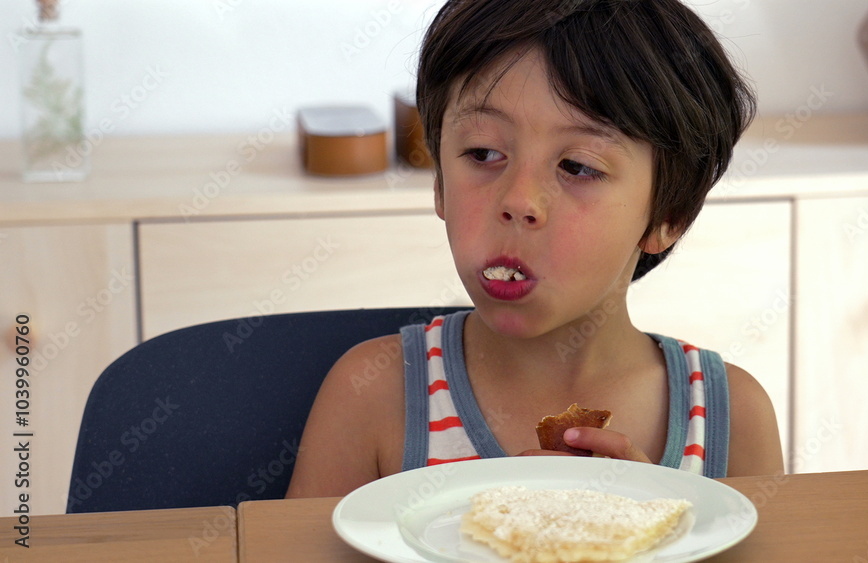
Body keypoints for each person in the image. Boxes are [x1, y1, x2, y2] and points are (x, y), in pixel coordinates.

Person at [286, 0, 783, 499]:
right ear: (439, 184)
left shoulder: (730, 416)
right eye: (483, 153)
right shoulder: (373, 395)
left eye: (578, 166)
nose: (519, 201)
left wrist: (660, 526)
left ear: (668, 215)